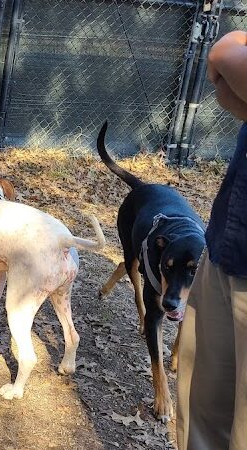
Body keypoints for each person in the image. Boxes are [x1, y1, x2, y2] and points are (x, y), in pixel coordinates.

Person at [177, 29, 247, 450]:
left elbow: (225, 52)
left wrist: (238, 37)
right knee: (200, 411)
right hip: (225, 248)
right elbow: (228, 91)